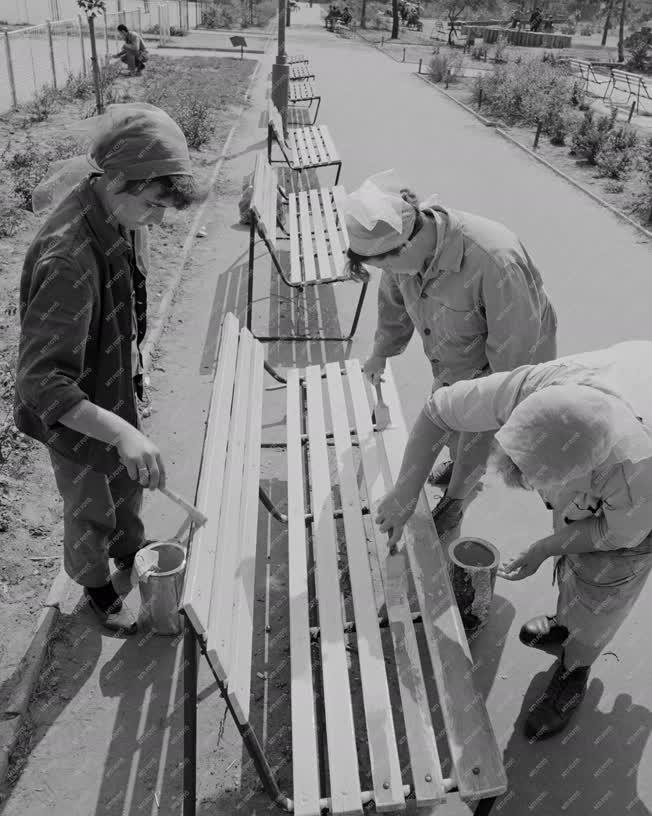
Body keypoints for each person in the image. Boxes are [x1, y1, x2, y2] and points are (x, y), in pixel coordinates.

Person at [376, 340, 652, 739]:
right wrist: (404, 491)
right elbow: (439, 410)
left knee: (602, 583)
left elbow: (608, 534)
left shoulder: (637, 476)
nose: (542, 501)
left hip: (634, 524)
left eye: (548, 489)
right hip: (628, 390)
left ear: (592, 472)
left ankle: (575, 668)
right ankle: (564, 622)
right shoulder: (532, 389)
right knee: (570, 529)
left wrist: (543, 549)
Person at [14, 103, 198, 635]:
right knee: (89, 501)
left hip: (111, 382)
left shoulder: (114, 206)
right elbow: (40, 381)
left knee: (126, 485)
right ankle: (95, 586)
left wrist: (126, 413)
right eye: (153, 205)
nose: (158, 220)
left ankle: (129, 550)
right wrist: (118, 430)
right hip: (77, 412)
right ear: (116, 178)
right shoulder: (68, 259)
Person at [342, 170, 558, 538]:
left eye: (386, 265)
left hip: (507, 361)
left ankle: (458, 500)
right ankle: (461, 468)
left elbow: (511, 366)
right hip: (454, 358)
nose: (387, 274)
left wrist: (489, 419)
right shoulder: (400, 247)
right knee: (449, 419)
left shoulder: (494, 260)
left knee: (475, 432)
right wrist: (380, 352)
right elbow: (393, 306)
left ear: (405, 246)